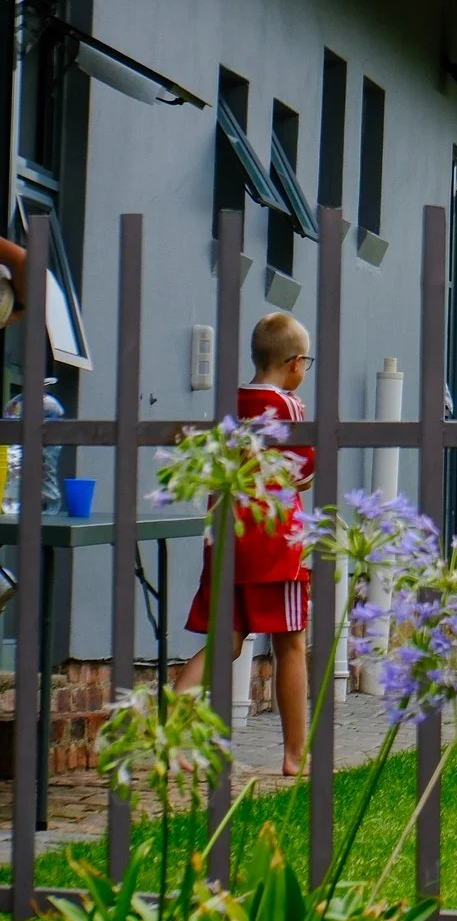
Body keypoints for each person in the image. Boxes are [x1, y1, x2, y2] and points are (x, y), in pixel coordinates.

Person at [176, 311, 314, 775]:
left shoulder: (227, 401)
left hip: (226, 541)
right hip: (277, 545)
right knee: (290, 643)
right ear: (296, 363)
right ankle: (296, 753)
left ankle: (169, 728)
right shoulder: (289, 406)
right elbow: (305, 473)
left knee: (224, 642)